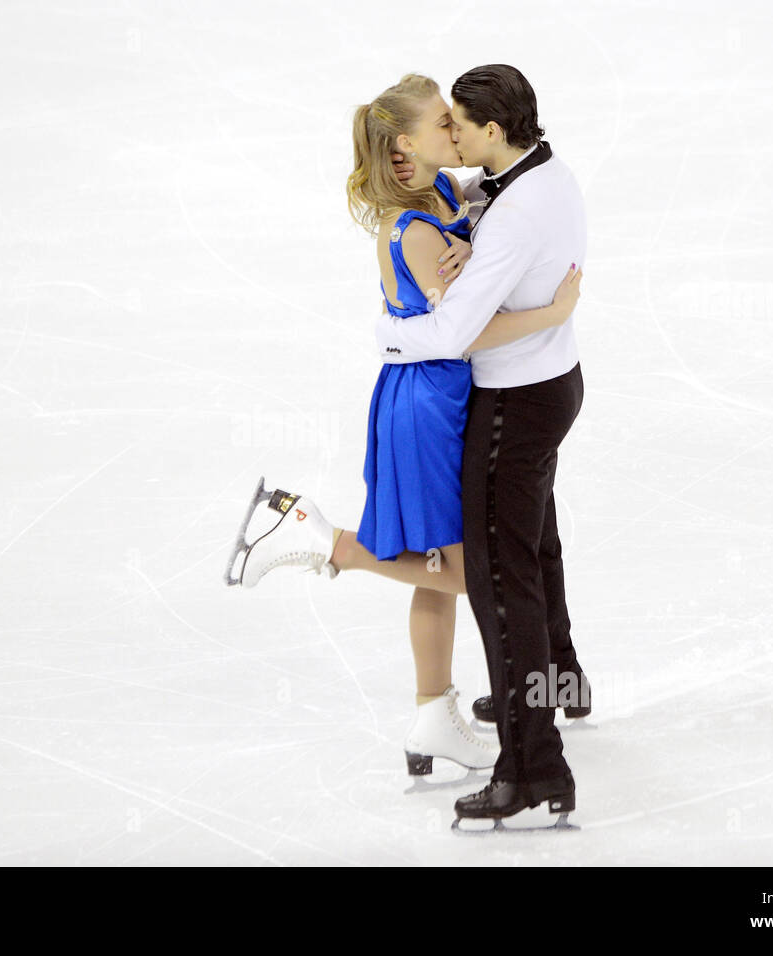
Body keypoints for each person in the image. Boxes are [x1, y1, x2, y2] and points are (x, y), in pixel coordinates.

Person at [224, 73, 582, 782]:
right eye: (445, 125)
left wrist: (478, 237)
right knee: (467, 570)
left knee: (440, 563)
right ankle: (322, 541)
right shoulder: (412, 230)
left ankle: (430, 710)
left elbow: (490, 207)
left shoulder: (449, 195)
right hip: (428, 404)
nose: (458, 133)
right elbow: (461, 331)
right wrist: (550, 314)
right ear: (404, 153)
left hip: (445, 395)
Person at [373, 64, 590, 827]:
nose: (452, 137)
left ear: (492, 131)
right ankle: (558, 681)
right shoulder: (539, 175)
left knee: (502, 589)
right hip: (555, 385)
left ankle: (533, 769)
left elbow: (450, 335)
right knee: (537, 550)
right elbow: (472, 201)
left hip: (512, 408)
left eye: (458, 125)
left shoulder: (511, 218)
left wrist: (386, 334)